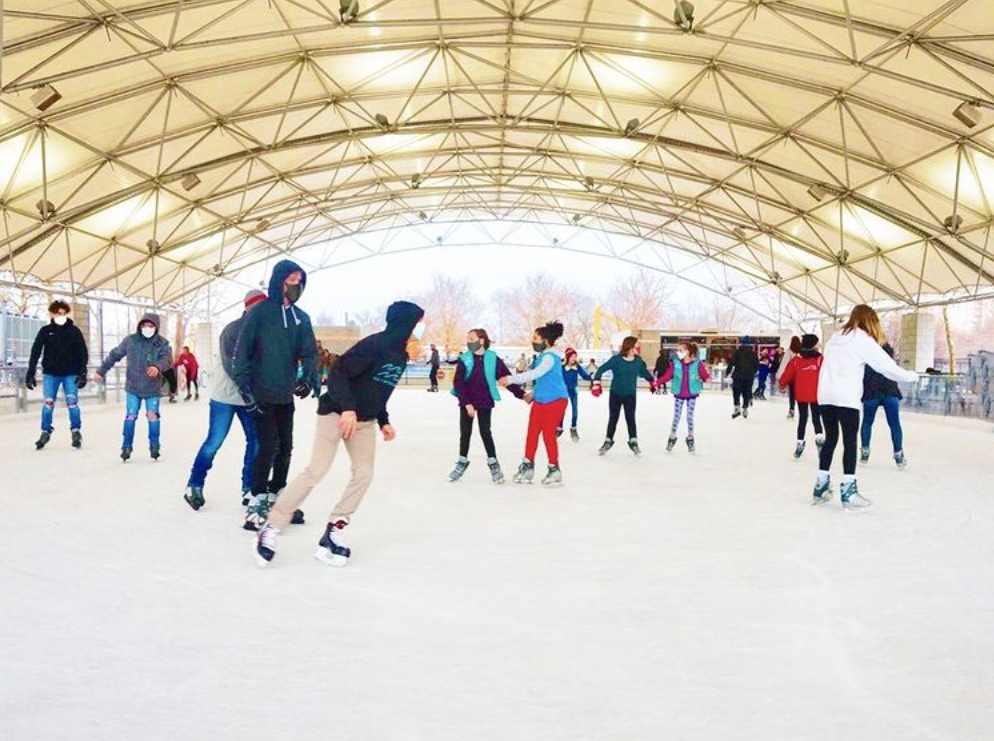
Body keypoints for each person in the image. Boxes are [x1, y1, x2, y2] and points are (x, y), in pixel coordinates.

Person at [254, 301, 426, 568]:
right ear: (405, 324)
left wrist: (383, 421)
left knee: (364, 473)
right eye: (416, 324)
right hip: (336, 412)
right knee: (316, 470)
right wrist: (347, 409)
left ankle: (335, 528)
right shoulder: (373, 345)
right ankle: (272, 526)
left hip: (364, 421)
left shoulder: (400, 356)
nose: (417, 330)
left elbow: (379, 390)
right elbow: (337, 374)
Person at [231, 259, 318, 530]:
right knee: (268, 446)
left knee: (286, 447)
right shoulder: (259, 313)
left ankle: (277, 494)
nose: (296, 285)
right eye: (291, 279)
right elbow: (241, 353)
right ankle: (257, 498)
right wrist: (245, 390)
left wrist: (308, 377)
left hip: (284, 394)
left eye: (299, 280)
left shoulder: (301, 318)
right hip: (261, 393)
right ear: (279, 280)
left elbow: (310, 352)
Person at [813, 305, 917, 509]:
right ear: (870, 321)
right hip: (846, 397)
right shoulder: (863, 340)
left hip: (825, 395)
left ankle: (821, 485)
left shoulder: (835, 337)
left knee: (831, 438)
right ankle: (849, 491)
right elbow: (887, 368)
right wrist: (911, 376)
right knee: (850, 441)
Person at [183, 290, 266, 511]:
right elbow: (232, 366)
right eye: (257, 306)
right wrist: (248, 392)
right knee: (214, 441)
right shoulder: (232, 330)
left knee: (256, 442)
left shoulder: (265, 332)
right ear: (247, 307)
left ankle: (248, 487)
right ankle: (194, 484)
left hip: (249, 397)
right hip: (225, 396)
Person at [449, 328, 525, 483]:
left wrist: (522, 394)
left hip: (484, 399)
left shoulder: (492, 358)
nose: (469, 342)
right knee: (465, 432)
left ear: (481, 340)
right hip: (467, 400)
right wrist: (466, 403)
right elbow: (458, 383)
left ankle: (493, 464)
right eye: (468, 339)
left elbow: (505, 378)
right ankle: (462, 461)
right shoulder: (465, 358)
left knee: (485, 432)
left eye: (472, 339)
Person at [498, 321, 569, 485]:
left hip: (556, 400)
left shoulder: (550, 358)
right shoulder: (543, 357)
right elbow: (544, 380)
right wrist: (533, 394)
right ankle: (527, 466)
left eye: (535, 338)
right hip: (541, 399)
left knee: (548, 435)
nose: (533, 341)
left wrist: (510, 379)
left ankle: (554, 469)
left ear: (545, 340)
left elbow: (536, 374)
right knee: (532, 432)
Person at [95, 313, 172, 461]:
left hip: (152, 388)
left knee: (152, 415)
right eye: (145, 325)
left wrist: (157, 367)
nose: (147, 328)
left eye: (151, 326)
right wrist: (101, 371)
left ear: (156, 327)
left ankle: (154, 445)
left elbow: (167, 359)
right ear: (140, 325)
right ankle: (126, 447)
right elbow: (114, 355)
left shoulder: (162, 343)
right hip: (133, 386)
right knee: (131, 415)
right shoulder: (131, 341)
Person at [25, 299, 89, 450]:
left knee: (72, 403)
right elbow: (36, 351)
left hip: (70, 373)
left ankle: (76, 431)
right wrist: (31, 371)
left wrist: (83, 371)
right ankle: (45, 430)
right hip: (51, 374)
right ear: (52, 314)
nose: (60, 315)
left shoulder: (74, 331)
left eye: (63, 313)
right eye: (57, 313)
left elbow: (82, 352)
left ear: (66, 314)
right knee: (48, 403)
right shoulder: (46, 331)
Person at [592, 336, 656, 456]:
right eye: (637, 345)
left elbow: (644, 372)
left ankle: (633, 441)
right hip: (616, 394)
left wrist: (651, 381)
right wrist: (596, 383)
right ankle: (608, 440)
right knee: (613, 418)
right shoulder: (616, 360)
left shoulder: (638, 361)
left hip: (630, 395)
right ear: (630, 346)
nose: (639, 347)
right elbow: (601, 369)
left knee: (630, 418)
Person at [860, 342, 908, 469]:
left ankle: (865, 450)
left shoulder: (868, 363)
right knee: (894, 424)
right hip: (890, 393)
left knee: (867, 422)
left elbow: (862, 378)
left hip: (871, 394)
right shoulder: (890, 363)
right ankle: (898, 453)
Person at [777, 334, 823, 459]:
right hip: (816, 395)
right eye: (817, 343)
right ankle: (819, 440)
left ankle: (800, 443)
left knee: (803, 419)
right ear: (813, 345)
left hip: (801, 394)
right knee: (816, 419)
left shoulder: (797, 360)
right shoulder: (820, 360)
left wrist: (782, 384)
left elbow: (787, 374)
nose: (819, 345)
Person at [659, 341, 710, 453]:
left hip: (691, 394)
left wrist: (707, 378)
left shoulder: (697, 364)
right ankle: (672, 437)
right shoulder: (676, 363)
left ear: (688, 351)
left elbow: (704, 374)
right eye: (678, 350)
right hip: (679, 394)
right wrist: (657, 382)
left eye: (681, 350)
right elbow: (668, 375)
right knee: (676, 417)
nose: (678, 352)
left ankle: (690, 438)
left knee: (689, 417)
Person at [558, 348, 592, 441]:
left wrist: (591, 377)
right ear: (567, 357)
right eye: (572, 356)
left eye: (575, 356)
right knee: (561, 410)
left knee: (575, 410)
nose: (574, 358)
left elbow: (584, 376)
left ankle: (573, 428)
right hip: (563, 391)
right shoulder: (561, 367)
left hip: (573, 390)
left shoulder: (577, 366)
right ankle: (559, 428)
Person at [726, 340, 759, 419]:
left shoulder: (737, 352)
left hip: (738, 376)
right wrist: (752, 372)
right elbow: (756, 366)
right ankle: (745, 408)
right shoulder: (753, 354)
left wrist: (728, 371)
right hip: (749, 376)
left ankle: (737, 406)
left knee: (736, 391)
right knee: (746, 392)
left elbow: (731, 363)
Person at [783, 336, 802, 418]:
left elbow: (785, 363)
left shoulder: (789, 351)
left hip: (792, 376)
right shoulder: (802, 351)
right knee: (801, 394)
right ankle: (803, 411)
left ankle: (791, 409)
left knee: (792, 394)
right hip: (801, 375)